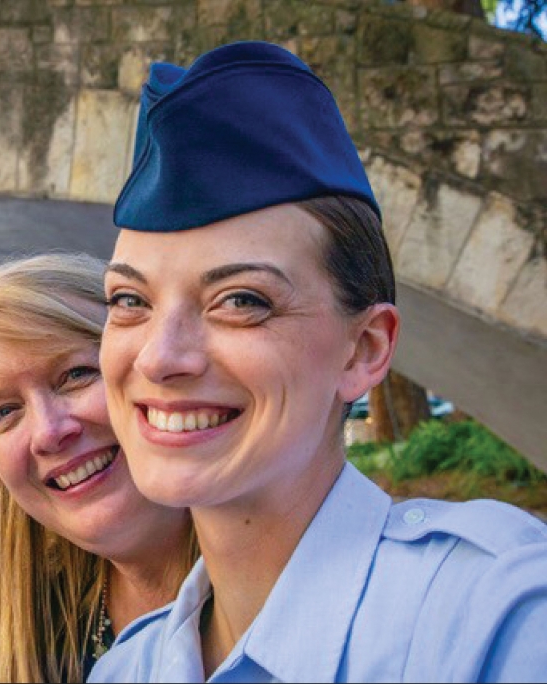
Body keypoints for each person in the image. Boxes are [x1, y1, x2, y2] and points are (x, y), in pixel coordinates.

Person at [90, 41, 547, 682]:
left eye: (241, 300)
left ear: (365, 350)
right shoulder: (125, 671)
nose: (161, 357)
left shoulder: (497, 618)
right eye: (130, 300)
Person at [0, 253, 198, 682]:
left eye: (76, 374)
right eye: (5, 412)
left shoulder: (289, 590)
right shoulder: (51, 614)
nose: (48, 433)